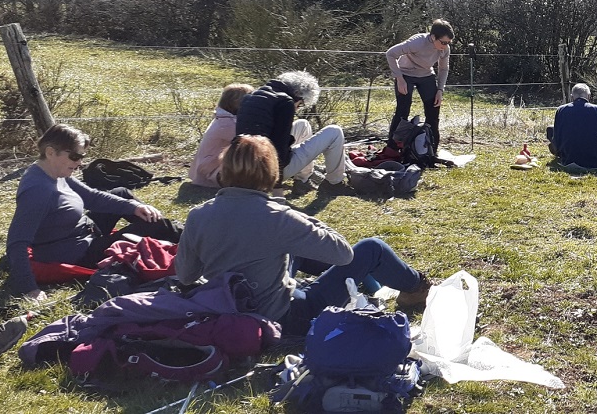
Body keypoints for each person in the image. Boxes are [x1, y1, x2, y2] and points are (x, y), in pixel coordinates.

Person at [175, 135, 432, 336]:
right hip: (283, 319)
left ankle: (361, 281)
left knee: (290, 251)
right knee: (371, 248)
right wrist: (300, 216)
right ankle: (416, 288)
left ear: (225, 170)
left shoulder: (198, 215)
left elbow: (186, 275)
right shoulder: (278, 217)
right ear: (270, 172)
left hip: (228, 312)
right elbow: (343, 254)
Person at [6, 124, 180, 300]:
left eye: (82, 156)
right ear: (50, 152)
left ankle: (170, 236)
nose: (79, 163)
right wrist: (30, 289)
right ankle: (188, 238)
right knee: (157, 226)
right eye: (75, 156)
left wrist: (133, 207)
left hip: (86, 230)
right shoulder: (37, 191)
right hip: (81, 252)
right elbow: (16, 242)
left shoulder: (54, 173)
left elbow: (91, 197)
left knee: (122, 194)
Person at [235, 71, 363, 190]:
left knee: (303, 124)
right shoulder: (285, 102)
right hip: (267, 173)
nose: (297, 109)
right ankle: (334, 183)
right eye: (300, 104)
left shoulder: (252, 96)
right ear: (298, 95)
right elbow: (279, 149)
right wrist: (277, 187)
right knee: (334, 131)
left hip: (242, 169)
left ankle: (303, 179)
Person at [386, 19, 453, 148]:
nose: (445, 46)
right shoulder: (417, 42)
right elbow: (390, 53)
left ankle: (431, 149)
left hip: (426, 74)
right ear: (433, 37)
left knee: (433, 110)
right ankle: (392, 148)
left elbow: (444, 69)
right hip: (405, 74)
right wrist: (399, 78)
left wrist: (440, 90)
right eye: (443, 42)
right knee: (403, 110)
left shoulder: (445, 49)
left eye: (448, 43)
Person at [189, 83, 254, 187]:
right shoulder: (226, 124)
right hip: (210, 171)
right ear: (236, 102)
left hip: (210, 167)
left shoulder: (223, 118)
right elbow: (250, 142)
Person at [548, 83, 597, 169]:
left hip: (567, 160)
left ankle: (561, 155)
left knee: (550, 129)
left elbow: (556, 140)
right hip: (596, 161)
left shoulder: (561, 110)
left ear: (572, 97)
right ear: (589, 96)